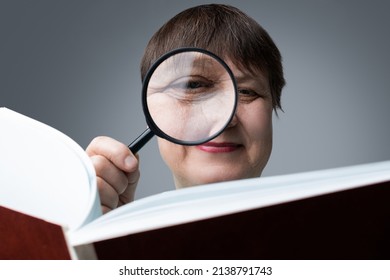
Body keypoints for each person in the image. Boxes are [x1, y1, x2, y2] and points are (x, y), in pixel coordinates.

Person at [86, 4, 285, 213]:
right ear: (152, 113)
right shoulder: (115, 235)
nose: (224, 120)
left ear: (272, 106)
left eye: (246, 92)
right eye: (192, 86)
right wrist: (104, 234)